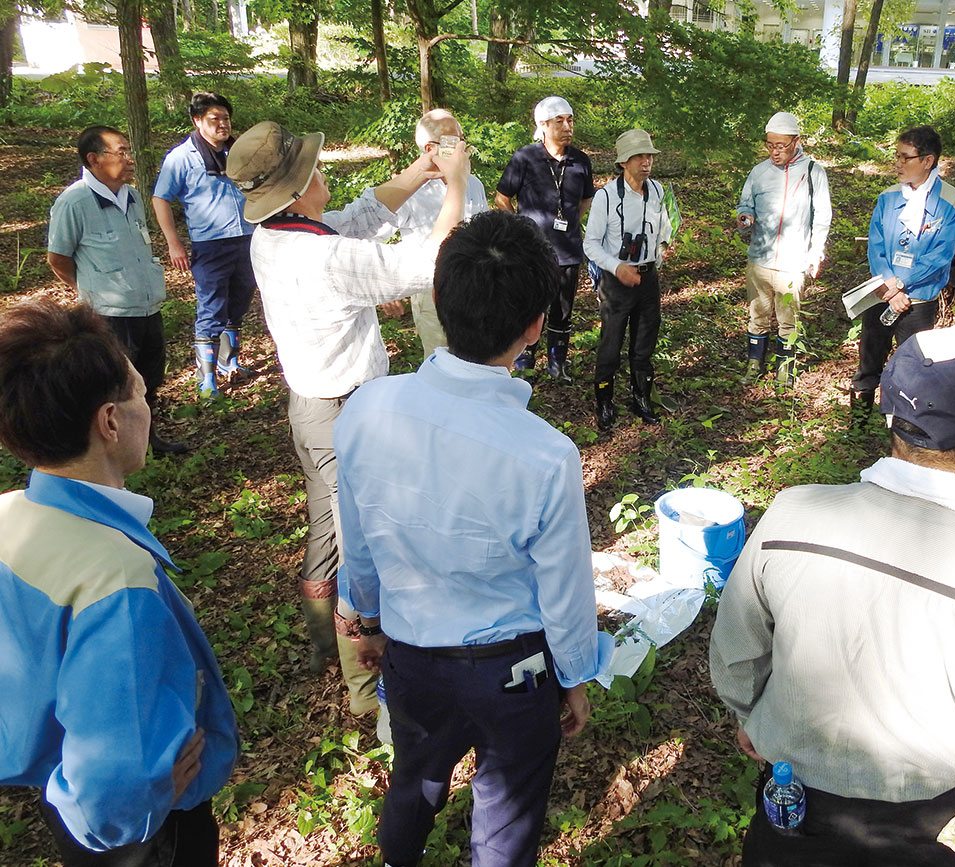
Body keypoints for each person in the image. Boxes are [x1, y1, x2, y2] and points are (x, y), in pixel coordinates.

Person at [710, 305, 955, 867]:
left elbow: (737, 644)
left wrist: (751, 714)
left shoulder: (790, 516)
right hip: (929, 830)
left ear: (888, 411)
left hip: (791, 815)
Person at [334, 210, 611, 867]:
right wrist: (575, 675)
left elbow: (361, 538)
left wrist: (365, 617)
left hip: (409, 654)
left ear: (436, 298)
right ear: (536, 325)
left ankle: (398, 855)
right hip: (511, 672)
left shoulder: (368, 409)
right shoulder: (545, 453)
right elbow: (566, 588)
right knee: (505, 818)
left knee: (416, 776)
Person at [226, 121, 468, 723]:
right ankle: (361, 685)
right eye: (316, 168)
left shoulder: (274, 235)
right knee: (363, 543)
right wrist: (457, 189)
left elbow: (358, 218)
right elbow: (427, 264)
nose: (325, 170)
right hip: (346, 415)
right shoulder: (325, 258)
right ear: (303, 185)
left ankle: (320, 649)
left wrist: (423, 171)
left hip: (309, 408)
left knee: (327, 533)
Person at [0, 300, 238, 865]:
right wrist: (139, 805)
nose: (146, 411)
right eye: (141, 397)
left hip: (53, 787)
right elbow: (116, 769)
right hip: (142, 836)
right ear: (109, 422)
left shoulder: (9, 513)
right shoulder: (116, 578)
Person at [47, 125, 187, 454]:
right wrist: (89, 289)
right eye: (120, 152)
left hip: (146, 304)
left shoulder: (133, 195)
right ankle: (112, 451)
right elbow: (58, 258)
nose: (129, 159)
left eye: (128, 151)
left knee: (147, 380)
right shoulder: (75, 201)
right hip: (109, 313)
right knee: (115, 385)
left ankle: (147, 442)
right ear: (94, 159)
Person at [851, 125, 955, 425]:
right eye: (896, 156)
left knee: (913, 366)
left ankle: (902, 425)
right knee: (869, 358)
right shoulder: (887, 198)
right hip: (882, 293)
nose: (898, 164)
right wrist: (890, 286)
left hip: (919, 301)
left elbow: (941, 255)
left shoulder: (952, 202)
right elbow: (876, 247)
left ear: (927, 161)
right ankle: (859, 422)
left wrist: (902, 285)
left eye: (905, 157)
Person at [152, 91, 260, 398]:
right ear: (197, 121)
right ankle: (207, 378)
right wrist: (174, 244)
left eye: (226, 118)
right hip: (210, 245)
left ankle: (231, 363)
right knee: (211, 308)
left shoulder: (238, 151)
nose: (222, 125)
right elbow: (161, 198)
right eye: (215, 119)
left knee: (238, 304)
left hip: (247, 238)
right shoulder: (181, 158)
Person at [374, 108, 492, 358]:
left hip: (475, 287)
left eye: (463, 139)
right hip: (431, 290)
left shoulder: (473, 183)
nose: (462, 147)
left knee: (478, 358)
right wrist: (384, 289)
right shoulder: (407, 191)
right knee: (441, 360)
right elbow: (371, 233)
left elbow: (484, 231)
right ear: (430, 149)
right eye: (453, 141)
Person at [495, 95, 595, 380]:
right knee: (530, 304)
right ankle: (525, 361)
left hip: (568, 250)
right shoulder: (525, 158)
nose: (567, 126)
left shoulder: (580, 161)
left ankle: (557, 363)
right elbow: (502, 198)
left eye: (570, 120)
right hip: (532, 253)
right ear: (543, 125)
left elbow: (586, 200)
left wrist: (571, 220)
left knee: (563, 309)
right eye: (559, 121)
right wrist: (522, 229)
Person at [584, 128, 677, 431]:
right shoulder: (606, 198)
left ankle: (641, 397)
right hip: (616, 280)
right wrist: (616, 267)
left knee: (644, 342)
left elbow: (665, 228)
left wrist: (662, 247)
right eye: (639, 156)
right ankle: (604, 402)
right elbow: (591, 244)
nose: (646, 161)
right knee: (611, 344)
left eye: (649, 155)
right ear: (623, 162)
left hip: (648, 277)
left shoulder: (658, 192)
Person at [736, 111, 832, 388]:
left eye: (781, 146)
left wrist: (815, 252)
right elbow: (745, 205)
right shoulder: (759, 172)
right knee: (758, 314)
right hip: (760, 258)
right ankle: (755, 363)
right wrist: (744, 218)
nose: (775, 152)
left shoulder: (814, 172)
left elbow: (822, 216)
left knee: (788, 318)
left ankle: (785, 368)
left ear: (796, 141)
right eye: (770, 145)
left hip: (793, 260)